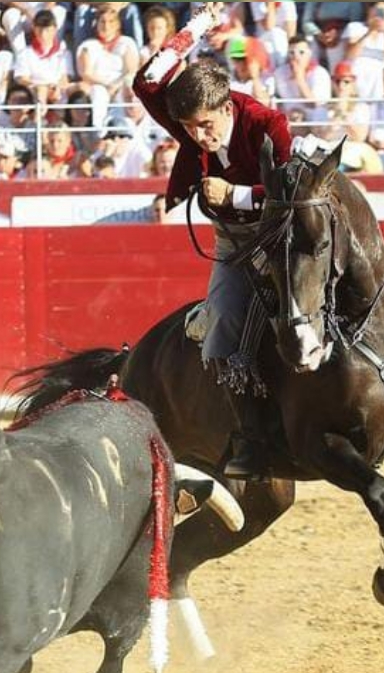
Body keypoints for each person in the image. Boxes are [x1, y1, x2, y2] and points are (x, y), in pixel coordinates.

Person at [133, 2, 293, 479]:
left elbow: (292, 194)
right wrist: (197, 28)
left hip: (280, 235)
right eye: (188, 129)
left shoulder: (268, 124)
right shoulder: (190, 117)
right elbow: (147, 80)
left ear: (227, 108)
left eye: (206, 126)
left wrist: (238, 194)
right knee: (222, 320)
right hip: (232, 241)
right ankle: (249, 436)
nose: (198, 138)